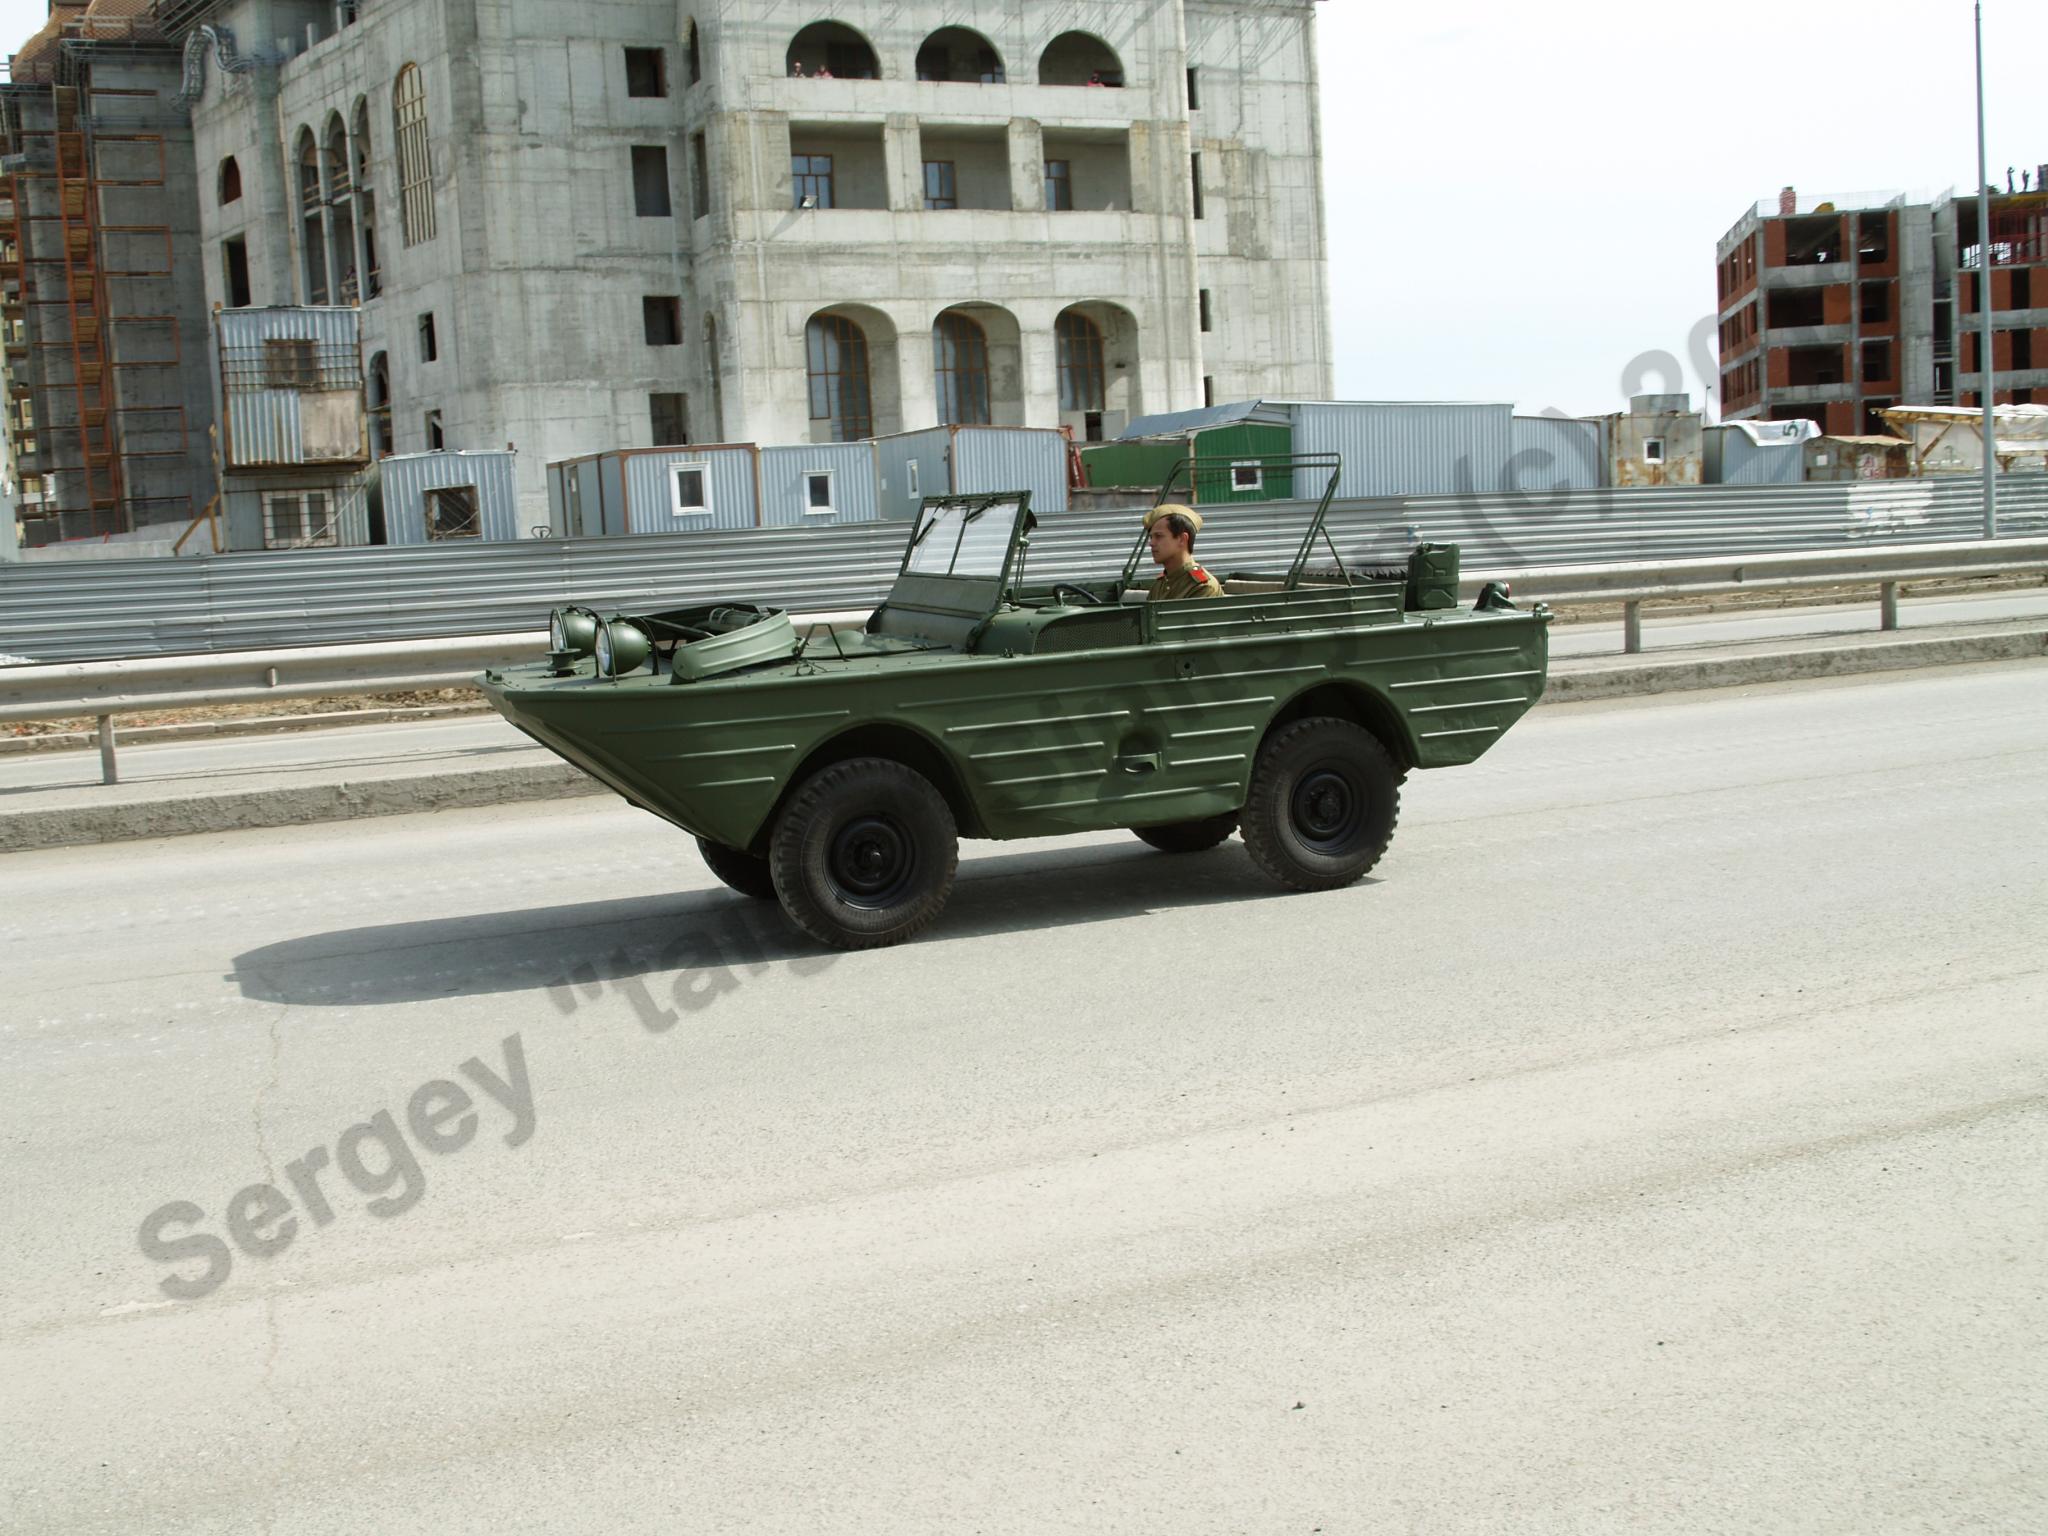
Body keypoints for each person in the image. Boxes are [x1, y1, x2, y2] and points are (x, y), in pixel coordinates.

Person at [1143, 504, 1221, 599]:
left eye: (1159, 536)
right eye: (1151, 537)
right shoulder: (1160, 584)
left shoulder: (1202, 586)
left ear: (1182, 539)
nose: (1151, 543)